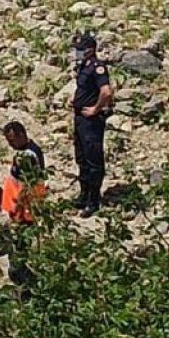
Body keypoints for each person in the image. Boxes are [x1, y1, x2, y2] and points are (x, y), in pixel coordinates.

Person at [70, 33, 112, 216]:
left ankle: (93, 200)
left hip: (91, 120)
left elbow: (107, 92)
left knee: (93, 159)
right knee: (81, 158)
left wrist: (95, 109)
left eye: (80, 50)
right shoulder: (83, 67)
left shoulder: (97, 67)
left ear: (90, 50)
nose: (76, 53)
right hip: (79, 118)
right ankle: (84, 194)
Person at [0, 121, 47, 225]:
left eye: (12, 141)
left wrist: (18, 206)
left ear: (21, 135)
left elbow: (27, 184)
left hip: (25, 201)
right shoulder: (26, 149)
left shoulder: (28, 156)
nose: (10, 145)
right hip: (17, 197)